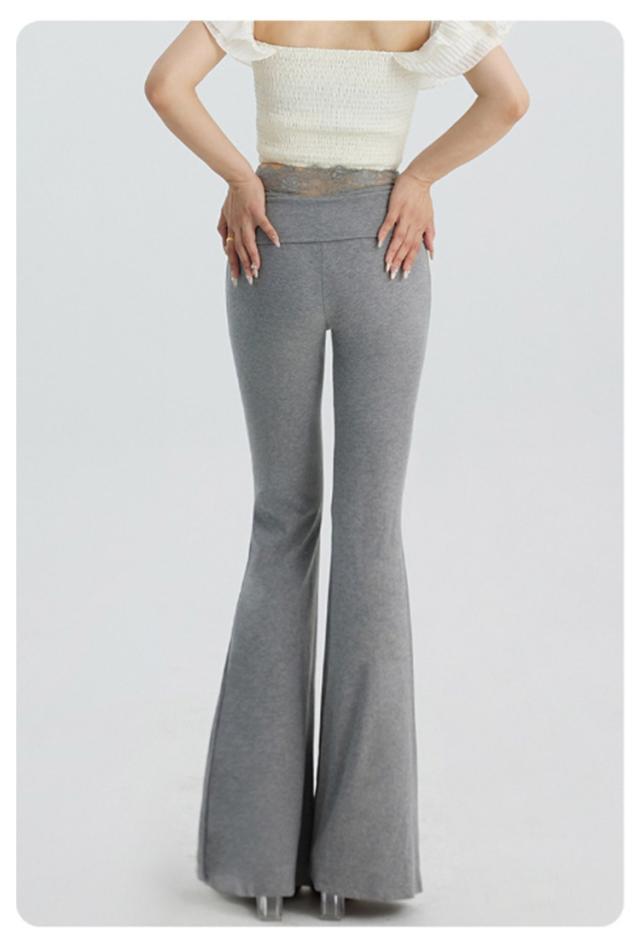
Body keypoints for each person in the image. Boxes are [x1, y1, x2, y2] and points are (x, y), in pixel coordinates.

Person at [145, 19, 529, 922]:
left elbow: (166, 85)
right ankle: (362, 862)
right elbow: (509, 100)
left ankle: (258, 860)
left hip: (271, 245)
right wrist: (419, 178)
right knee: (370, 533)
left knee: (282, 520)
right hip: (383, 252)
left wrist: (241, 177)